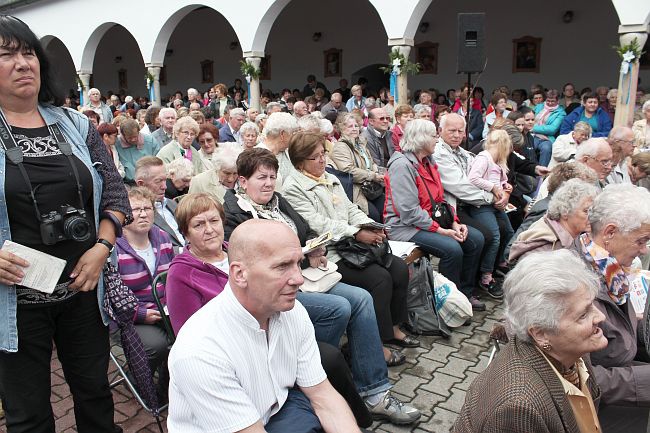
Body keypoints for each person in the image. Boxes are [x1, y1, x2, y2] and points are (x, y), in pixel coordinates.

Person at [222, 148, 421, 424]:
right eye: (260, 178)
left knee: (362, 298)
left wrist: (315, 248)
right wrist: (304, 259)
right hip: (276, 290)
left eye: (272, 176)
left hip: (309, 276)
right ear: (243, 182)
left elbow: (307, 229)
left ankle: (375, 392)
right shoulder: (236, 214)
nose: (268, 183)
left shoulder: (278, 201)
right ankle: (312, 373)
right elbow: (258, 266)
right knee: (339, 307)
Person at [0, 15, 131, 432]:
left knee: (95, 395)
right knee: (28, 415)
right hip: (15, 303)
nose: (23, 63)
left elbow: (114, 191)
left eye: (28, 53)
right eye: (6, 55)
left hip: (82, 290)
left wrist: (102, 247)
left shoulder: (75, 125)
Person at [167, 220, 361, 432]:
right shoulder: (200, 351)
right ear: (240, 274)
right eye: (282, 266)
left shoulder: (292, 311)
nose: (298, 278)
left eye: (298, 263)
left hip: (276, 412)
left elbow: (322, 396)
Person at [283, 132, 418, 351]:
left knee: (400, 268)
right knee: (380, 279)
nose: (322, 160)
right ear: (299, 162)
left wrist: (370, 226)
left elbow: (350, 208)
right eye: (315, 157)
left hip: (354, 245)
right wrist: (356, 233)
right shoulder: (293, 187)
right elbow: (317, 223)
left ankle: (394, 327)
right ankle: (379, 340)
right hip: (331, 252)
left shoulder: (329, 178)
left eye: (322, 154)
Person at [453, 249, 606, 433]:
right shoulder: (519, 408)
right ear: (541, 334)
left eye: (593, 305)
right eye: (583, 314)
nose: (601, 317)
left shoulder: (571, 351)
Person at [384, 119, 487, 304]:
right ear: (422, 139)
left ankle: (464, 292)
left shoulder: (427, 160)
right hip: (404, 227)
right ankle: (448, 302)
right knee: (452, 249)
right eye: (434, 135)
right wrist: (441, 230)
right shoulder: (402, 165)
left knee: (475, 240)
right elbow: (408, 212)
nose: (437, 139)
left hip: (429, 219)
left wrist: (455, 222)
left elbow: (440, 198)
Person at [575, 184, 650, 432]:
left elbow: (621, 330)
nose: (645, 249)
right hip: (588, 407)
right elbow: (574, 376)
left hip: (616, 377)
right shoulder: (574, 283)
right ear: (609, 233)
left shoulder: (610, 270)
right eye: (641, 240)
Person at [115, 187, 174, 394]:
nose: (143, 213)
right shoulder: (113, 248)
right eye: (136, 209)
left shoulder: (162, 237)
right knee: (158, 345)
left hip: (166, 310)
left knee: (187, 336)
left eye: (147, 208)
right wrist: (139, 314)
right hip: (132, 316)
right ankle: (136, 379)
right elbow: (110, 296)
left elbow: (173, 276)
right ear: (123, 215)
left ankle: (170, 387)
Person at [467, 129, 515, 292]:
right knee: (494, 236)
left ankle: (498, 263)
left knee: (508, 231)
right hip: (482, 204)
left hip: (496, 203)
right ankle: (486, 275)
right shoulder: (484, 158)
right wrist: (494, 187)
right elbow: (473, 178)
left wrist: (505, 187)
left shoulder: (499, 161)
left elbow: (502, 180)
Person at [509, 179, 598, 262]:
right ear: (565, 211)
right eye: (586, 211)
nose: (593, 216)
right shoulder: (546, 247)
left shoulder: (572, 237)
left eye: (594, 210)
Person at [331, 113, 385, 222]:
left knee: (388, 208)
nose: (354, 129)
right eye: (350, 126)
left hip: (370, 187)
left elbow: (371, 162)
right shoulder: (340, 147)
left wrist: (378, 172)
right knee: (373, 216)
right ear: (342, 129)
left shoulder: (360, 144)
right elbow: (348, 171)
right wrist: (373, 176)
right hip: (355, 190)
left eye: (356, 126)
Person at [134, 156, 185, 250]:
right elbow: (150, 250)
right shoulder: (136, 215)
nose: (165, 186)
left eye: (165, 180)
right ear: (141, 184)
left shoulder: (173, 204)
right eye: (158, 181)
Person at [114, 117, 160, 183]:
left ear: (139, 132)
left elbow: (158, 161)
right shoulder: (116, 144)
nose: (133, 139)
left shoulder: (150, 141)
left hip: (149, 181)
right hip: (127, 183)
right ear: (123, 135)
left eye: (135, 136)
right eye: (129, 138)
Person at [531, 89, 566, 166]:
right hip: (533, 135)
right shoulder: (539, 107)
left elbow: (552, 129)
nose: (550, 103)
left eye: (552, 101)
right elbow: (529, 117)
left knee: (546, 148)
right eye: (548, 100)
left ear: (557, 101)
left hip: (547, 137)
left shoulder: (561, 113)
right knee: (529, 146)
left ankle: (542, 174)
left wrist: (534, 128)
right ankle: (530, 170)